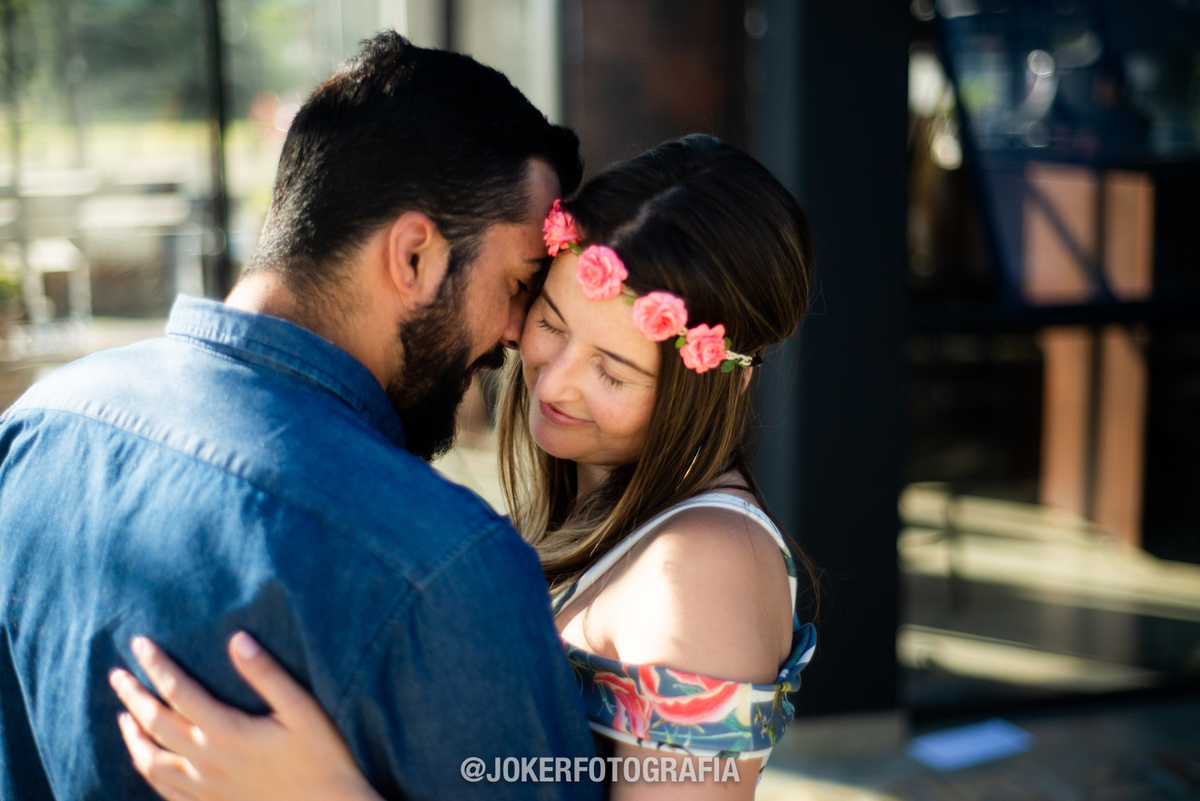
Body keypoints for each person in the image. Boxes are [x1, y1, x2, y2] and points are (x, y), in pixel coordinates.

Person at [110, 135, 820, 800]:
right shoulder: (594, 504)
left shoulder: (699, 566)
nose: (555, 382)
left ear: (713, 380)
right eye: (552, 322)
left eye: (613, 368)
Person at [0, 32, 604, 801]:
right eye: (519, 282)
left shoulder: (38, 427)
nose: (519, 332)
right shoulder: (442, 565)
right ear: (414, 255)